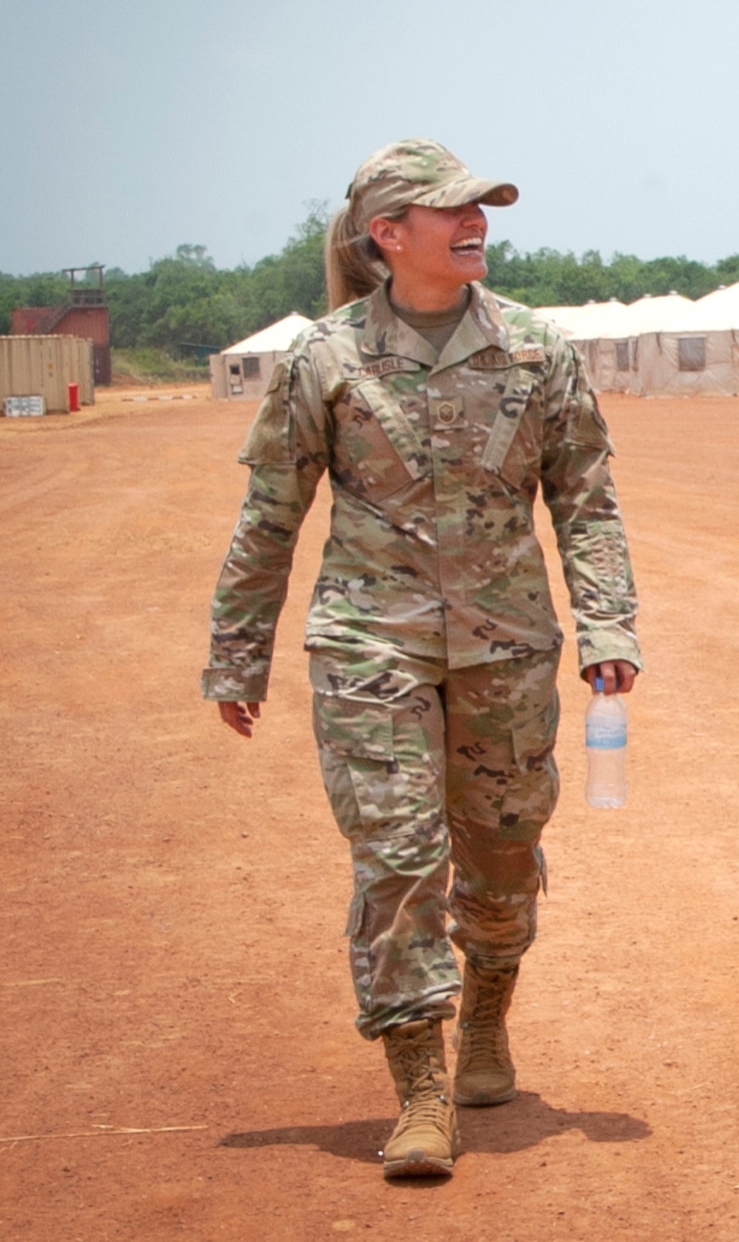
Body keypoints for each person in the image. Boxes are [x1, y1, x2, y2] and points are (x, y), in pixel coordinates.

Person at [202, 140, 642, 1180]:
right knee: (397, 857)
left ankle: (487, 1011)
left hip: (504, 644)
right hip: (369, 640)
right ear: (387, 235)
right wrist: (237, 652)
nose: (476, 220)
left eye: (482, 206)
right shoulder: (326, 356)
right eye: (452, 210)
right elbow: (270, 513)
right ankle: (420, 1086)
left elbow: (586, 501)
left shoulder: (538, 350)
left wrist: (610, 626)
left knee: (498, 855)